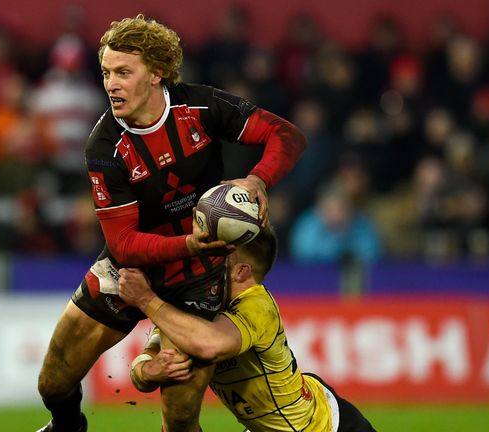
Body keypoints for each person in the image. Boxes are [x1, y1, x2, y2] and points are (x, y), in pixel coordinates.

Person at [36, 14, 307, 432]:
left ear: (157, 74)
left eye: (124, 72)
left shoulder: (200, 107)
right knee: (53, 383)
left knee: (180, 418)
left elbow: (286, 135)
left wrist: (258, 179)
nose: (111, 84)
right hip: (129, 271)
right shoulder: (105, 146)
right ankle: (68, 426)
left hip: (199, 279)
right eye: (107, 72)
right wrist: (191, 245)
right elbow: (124, 244)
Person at [119, 226, 376, 432]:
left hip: (323, 426)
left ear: (241, 272)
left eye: (220, 257)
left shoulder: (257, 305)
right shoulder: (199, 303)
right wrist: (149, 371)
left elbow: (210, 345)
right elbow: (143, 364)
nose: (207, 263)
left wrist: (145, 299)